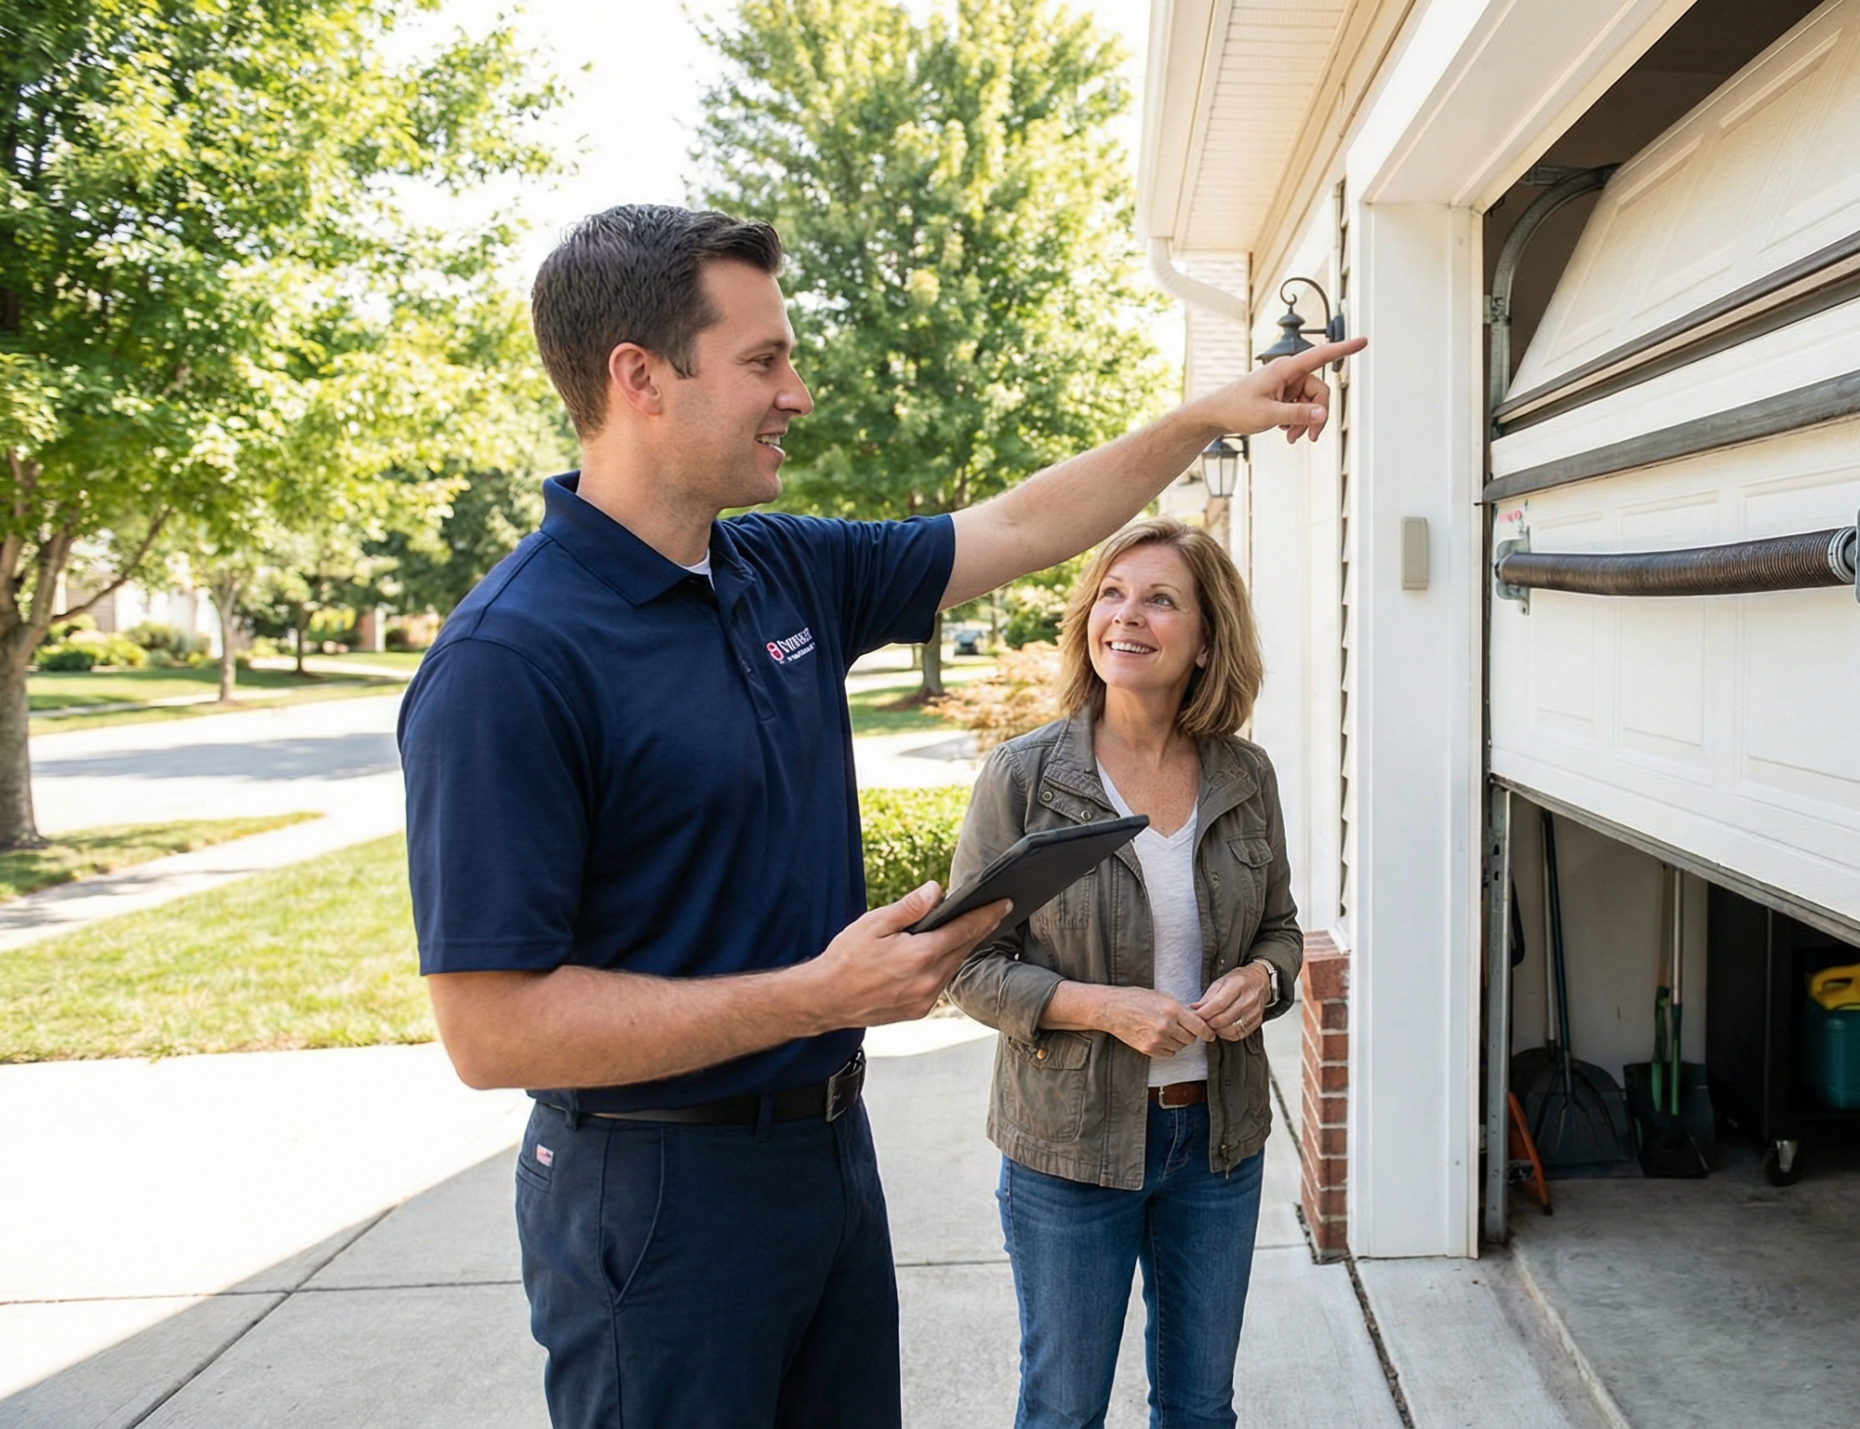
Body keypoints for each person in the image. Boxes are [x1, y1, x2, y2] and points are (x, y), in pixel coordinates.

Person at [398, 203, 1358, 1429]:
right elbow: (493, 1032)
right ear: (639, 377)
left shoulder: (779, 571)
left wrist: (1194, 422)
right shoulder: (510, 660)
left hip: (826, 1158)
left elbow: (1014, 525)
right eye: (763, 361)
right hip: (655, 1193)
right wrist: (819, 995)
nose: (796, 393)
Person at [946, 518, 1301, 1429]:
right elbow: (968, 966)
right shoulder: (1026, 779)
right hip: (1069, 1149)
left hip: (1217, 1144)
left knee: (1200, 1406)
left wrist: (1265, 981)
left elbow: (1282, 933)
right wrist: (1104, 1008)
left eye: (1159, 598)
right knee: (1063, 1410)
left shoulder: (1244, 775)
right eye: (1111, 592)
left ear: (1207, 636)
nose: (1126, 615)